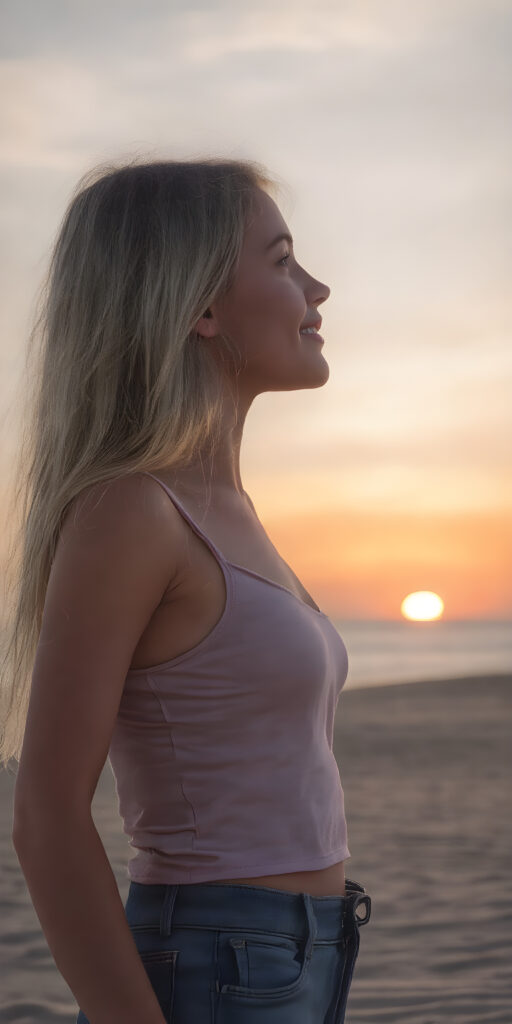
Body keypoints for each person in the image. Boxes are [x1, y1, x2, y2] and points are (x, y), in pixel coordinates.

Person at [4, 157, 371, 1023]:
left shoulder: (226, 509)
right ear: (199, 307)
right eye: (282, 262)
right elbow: (47, 818)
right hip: (216, 961)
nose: (317, 288)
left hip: (306, 947)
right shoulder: (132, 511)